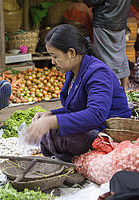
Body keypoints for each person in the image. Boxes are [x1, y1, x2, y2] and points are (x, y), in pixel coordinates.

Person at [23, 24, 131, 162]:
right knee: (50, 132)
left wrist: (51, 121)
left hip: (107, 132)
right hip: (92, 127)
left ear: (72, 52)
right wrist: (50, 114)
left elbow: (96, 114)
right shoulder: (72, 72)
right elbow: (75, 109)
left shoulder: (98, 73)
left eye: (55, 56)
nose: (52, 61)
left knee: (58, 135)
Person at [82, 0, 131, 92]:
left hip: (103, 22)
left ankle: (109, 92)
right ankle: (123, 92)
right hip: (120, 22)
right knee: (121, 56)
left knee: (104, 57)